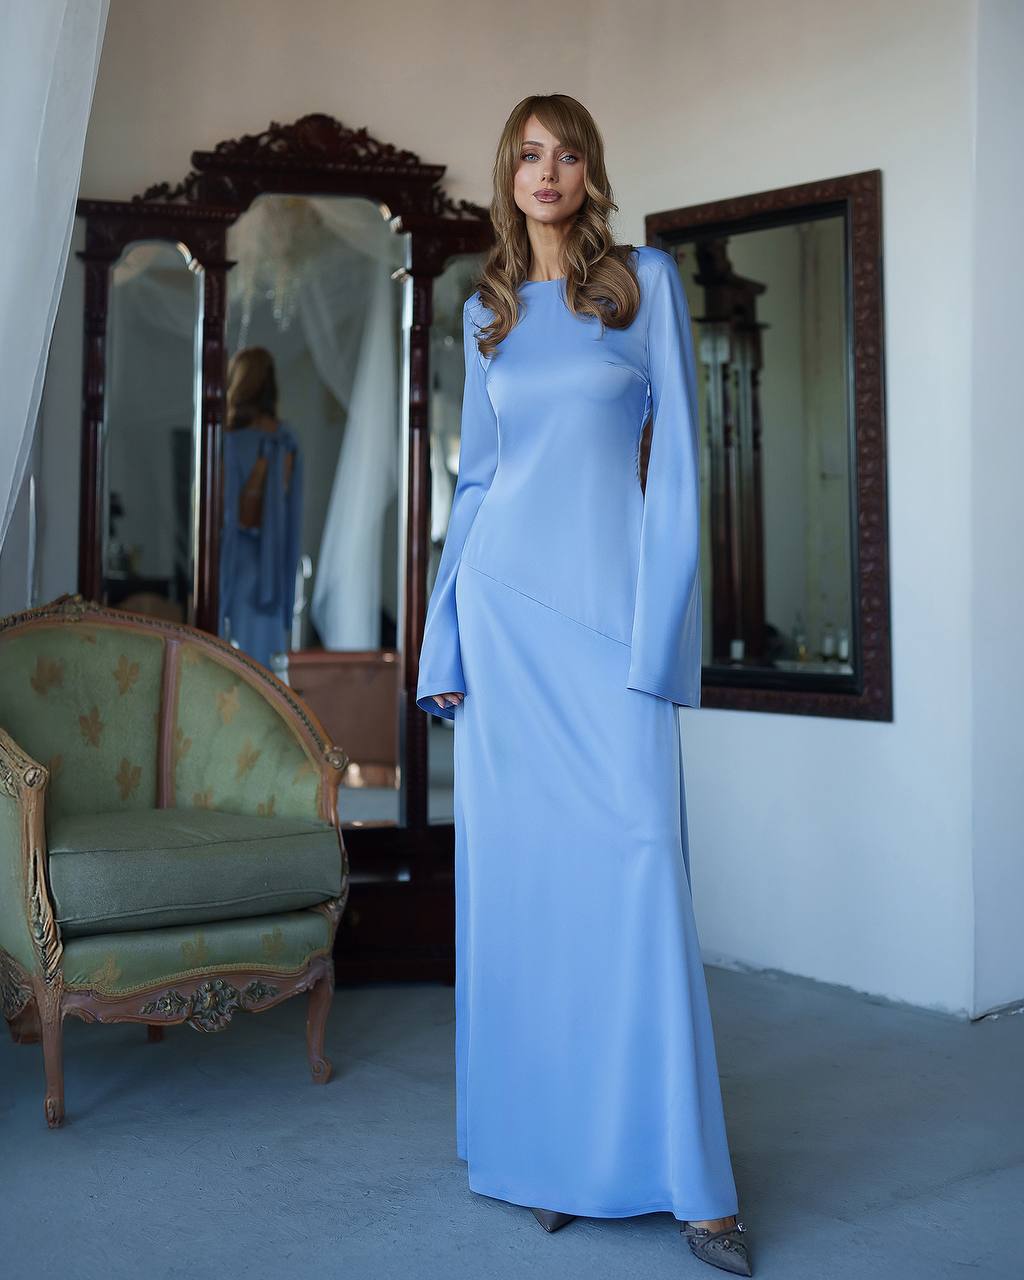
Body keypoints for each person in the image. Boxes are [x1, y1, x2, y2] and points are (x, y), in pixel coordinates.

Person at [415, 95, 754, 1275]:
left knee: (641, 870)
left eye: (563, 154)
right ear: (507, 174)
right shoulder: (486, 315)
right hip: (504, 626)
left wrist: (660, 643)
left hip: (608, 636)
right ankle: (547, 1154)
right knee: (529, 902)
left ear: (589, 170)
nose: (544, 172)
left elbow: (682, 481)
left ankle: (695, 1186)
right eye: (525, 153)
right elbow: (477, 487)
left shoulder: (642, 284)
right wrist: (441, 641)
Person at [218, 346, 303, 670]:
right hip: (272, 572)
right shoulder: (287, 440)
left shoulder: (228, 440)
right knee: (266, 674)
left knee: (231, 669)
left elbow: (231, 516)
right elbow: (291, 516)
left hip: (237, 566)